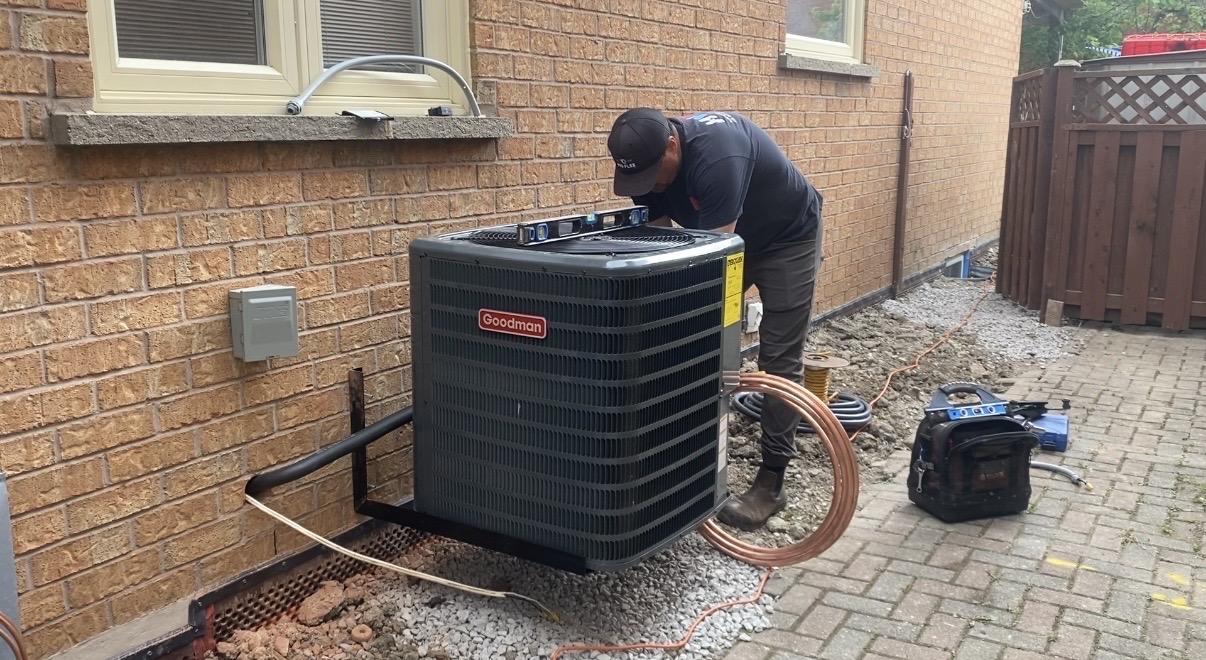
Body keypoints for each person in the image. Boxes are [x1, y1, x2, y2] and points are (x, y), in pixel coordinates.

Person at [607, 107, 824, 532]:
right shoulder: (646, 168)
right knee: (682, 334)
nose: (652, 185)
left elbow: (713, 264)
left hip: (786, 239)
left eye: (656, 173)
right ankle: (680, 455)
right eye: (640, 179)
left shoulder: (719, 158)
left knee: (778, 358)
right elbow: (664, 246)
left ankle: (771, 482)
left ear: (672, 144)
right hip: (723, 237)